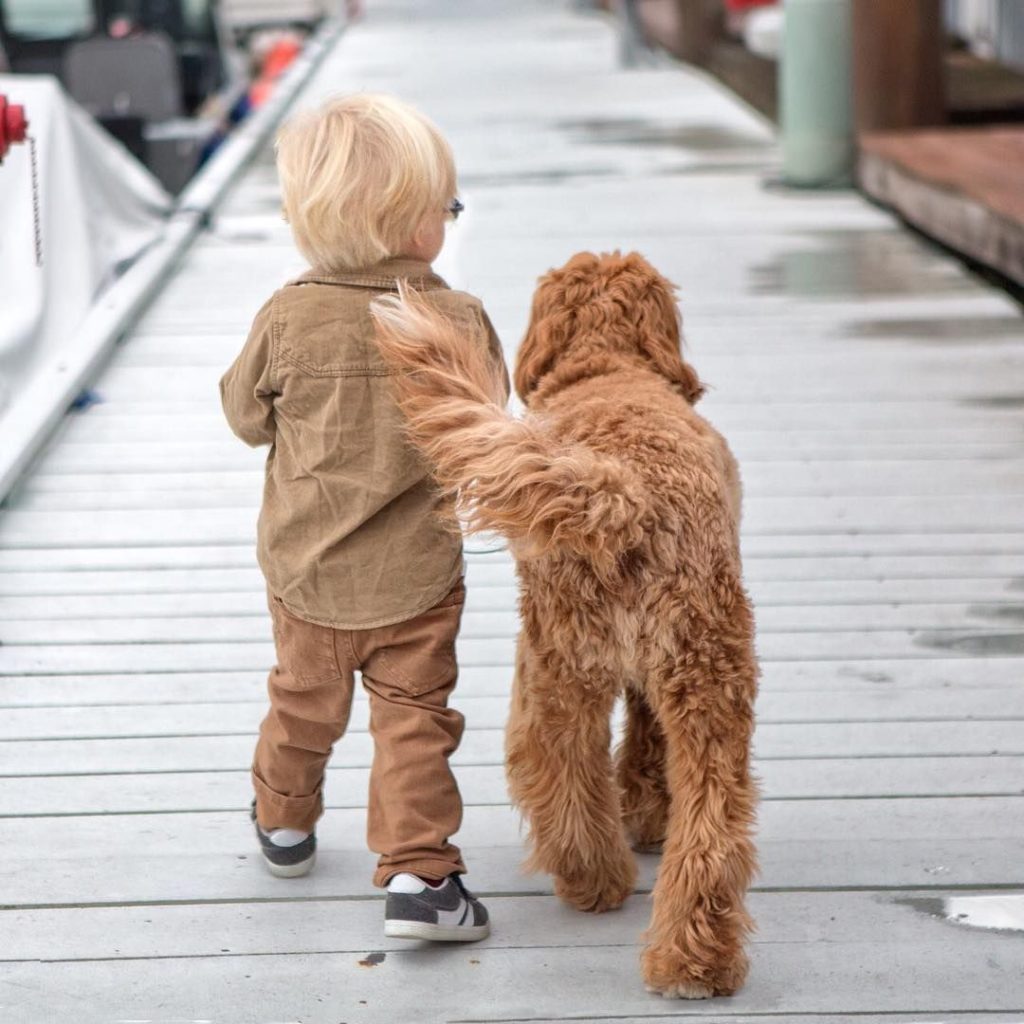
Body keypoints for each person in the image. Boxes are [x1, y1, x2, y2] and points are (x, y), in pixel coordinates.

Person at [219, 93, 508, 941]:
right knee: (413, 724)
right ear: (415, 226)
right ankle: (421, 879)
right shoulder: (456, 319)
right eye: (446, 208)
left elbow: (244, 418)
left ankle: (284, 821)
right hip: (416, 578)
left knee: (301, 703)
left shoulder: (286, 314)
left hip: (305, 575)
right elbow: (489, 422)